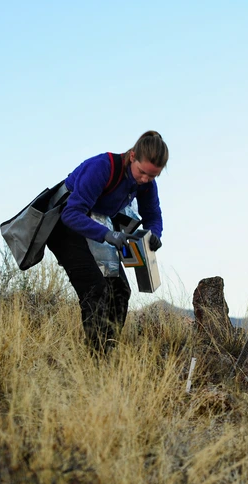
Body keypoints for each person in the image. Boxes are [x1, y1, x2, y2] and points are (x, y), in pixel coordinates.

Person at [46, 130, 168, 354]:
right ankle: (96, 356)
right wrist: (107, 235)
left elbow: (153, 215)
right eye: (142, 172)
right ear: (132, 156)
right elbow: (71, 213)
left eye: (152, 176)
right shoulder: (102, 167)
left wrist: (154, 235)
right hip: (66, 227)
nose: (145, 180)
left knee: (120, 290)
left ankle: (108, 351)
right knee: (96, 288)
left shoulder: (146, 183)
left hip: (99, 225)